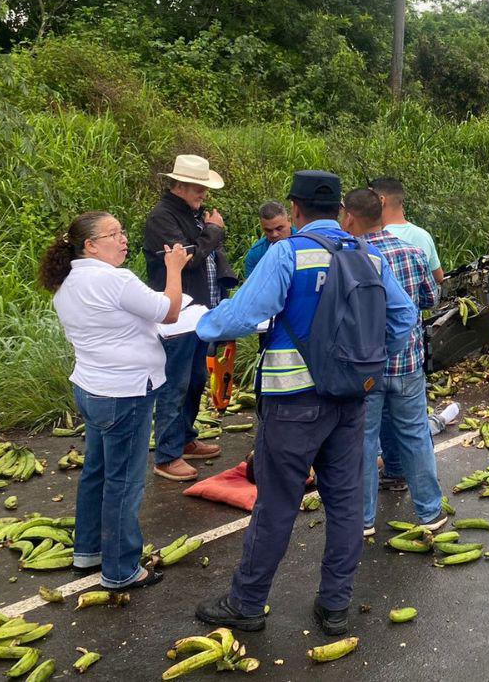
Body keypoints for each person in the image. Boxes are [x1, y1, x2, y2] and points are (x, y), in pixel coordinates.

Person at [192, 171, 417, 635]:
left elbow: (241, 315)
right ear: (340, 210)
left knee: (276, 503)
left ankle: (247, 603)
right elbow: (405, 316)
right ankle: (334, 606)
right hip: (351, 400)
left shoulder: (287, 254)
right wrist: (370, 364)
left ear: (295, 210)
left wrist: (201, 327)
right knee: (346, 501)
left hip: (293, 403)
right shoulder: (369, 256)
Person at [41, 211, 190, 591]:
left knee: (96, 473)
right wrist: (174, 268)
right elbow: (170, 310)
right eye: (113, 234)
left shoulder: (67, 280)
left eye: (123, 232)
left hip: (92, 388)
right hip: (126, 393)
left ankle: (88, 552)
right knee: (123, 481)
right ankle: (122, 569)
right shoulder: (115, 279)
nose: (123, 239)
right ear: (90, 245)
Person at [340, 188, 446, 538]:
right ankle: (431, 514)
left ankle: (364, 521)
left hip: (365, 368)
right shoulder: (413, 252)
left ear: (351, 217)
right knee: (416, 436)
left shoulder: (349, 257)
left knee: (365, 442)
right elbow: (431, 298)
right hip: (407, 364)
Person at [143, 154, 237, 483]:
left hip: (200, 313)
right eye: (199, 188)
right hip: (177, 316)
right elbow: (187, 261)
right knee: (175, 383)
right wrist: (213, 232)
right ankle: (167, 455)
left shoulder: (193, 216)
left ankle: (185, 437)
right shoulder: (162, 219)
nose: (203, 195)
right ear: (181, 185)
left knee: (196, 379)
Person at [368, 177, 443, 490]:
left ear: (380, 201)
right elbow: (437, 282)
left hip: (369, 356)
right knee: (413, 425)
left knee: (373, 425)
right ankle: (427, 504)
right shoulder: (419, 238)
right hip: (409, 352)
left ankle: (391, 474)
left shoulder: (357, 244)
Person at [369, 177, 444, 284]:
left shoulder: (376, 240)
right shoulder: (423, 235)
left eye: (369, 199)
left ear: (381, 201)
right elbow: (438, 278)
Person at [243, 201, 295, 277]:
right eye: (268, 230)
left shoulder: (306, 241)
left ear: (290, 221)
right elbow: (252, 287)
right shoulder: (256, 254)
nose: (274, 234)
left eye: (279, 228)